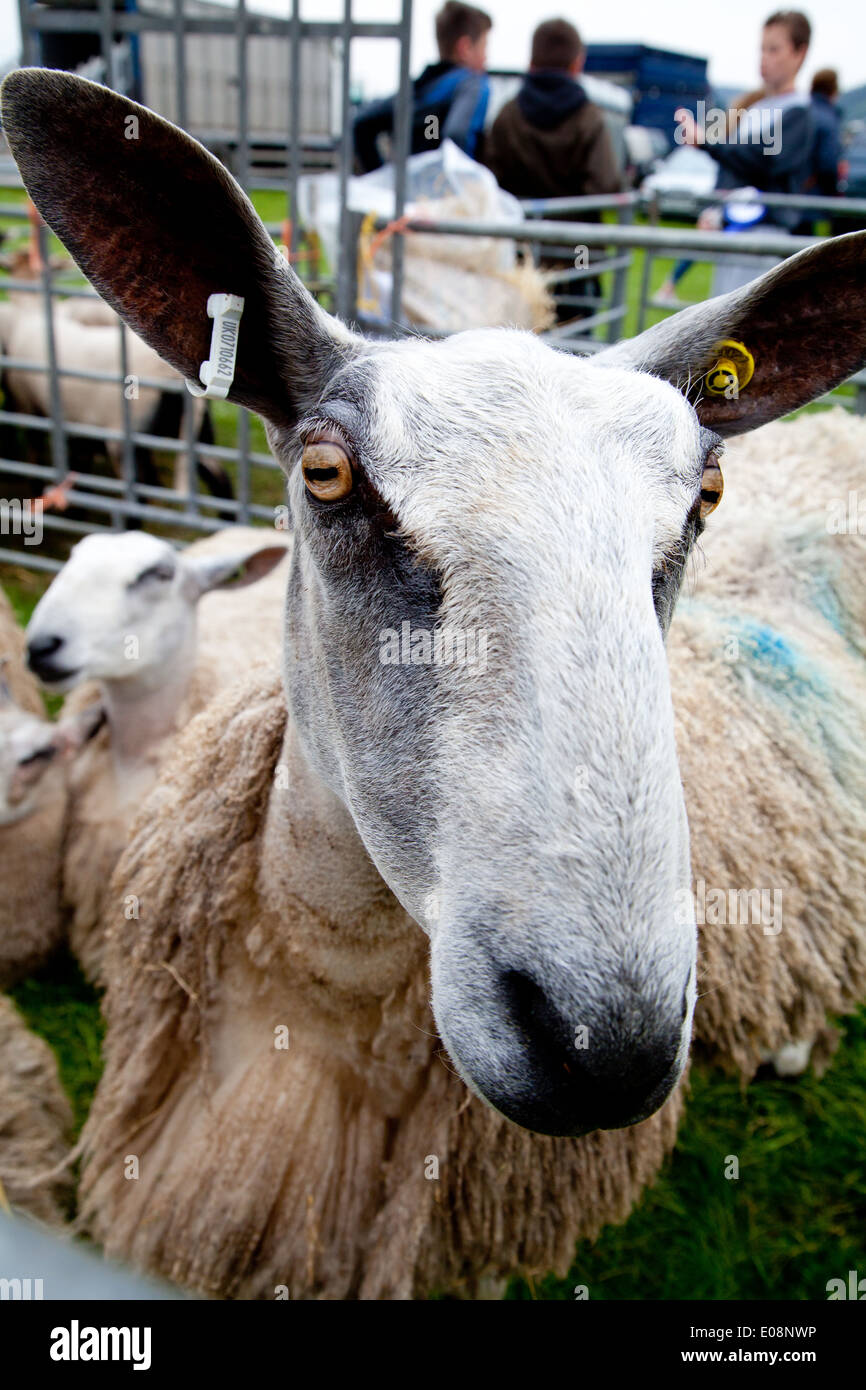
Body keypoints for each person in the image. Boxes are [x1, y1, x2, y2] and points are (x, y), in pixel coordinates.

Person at [677, 10, 815, 294]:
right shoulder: (754, 110)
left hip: (765, 239)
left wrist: (708, 142)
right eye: (762, 49)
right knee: (724, 324)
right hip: (734, 236)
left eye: (774, 49)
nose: (764, 58)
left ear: (800, 53)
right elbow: (734, 166)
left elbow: (762, 160)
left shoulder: (798, 113)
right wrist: (714, 209)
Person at [483, 18, 620, 201]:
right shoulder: (590, 118)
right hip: (575, 228)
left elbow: (489, 178)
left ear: (531, 62)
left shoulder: (507, 115)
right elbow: (604, 184)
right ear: (577, 64)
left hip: (517, 225)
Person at [353, 2, 492, 173]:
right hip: (446, 196)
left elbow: (361, 123)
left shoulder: (417, 90)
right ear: (465, 48)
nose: (486, 58)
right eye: (484, 47)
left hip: (407, 194)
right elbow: (457, 134)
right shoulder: (472, 84)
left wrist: (380, 178)